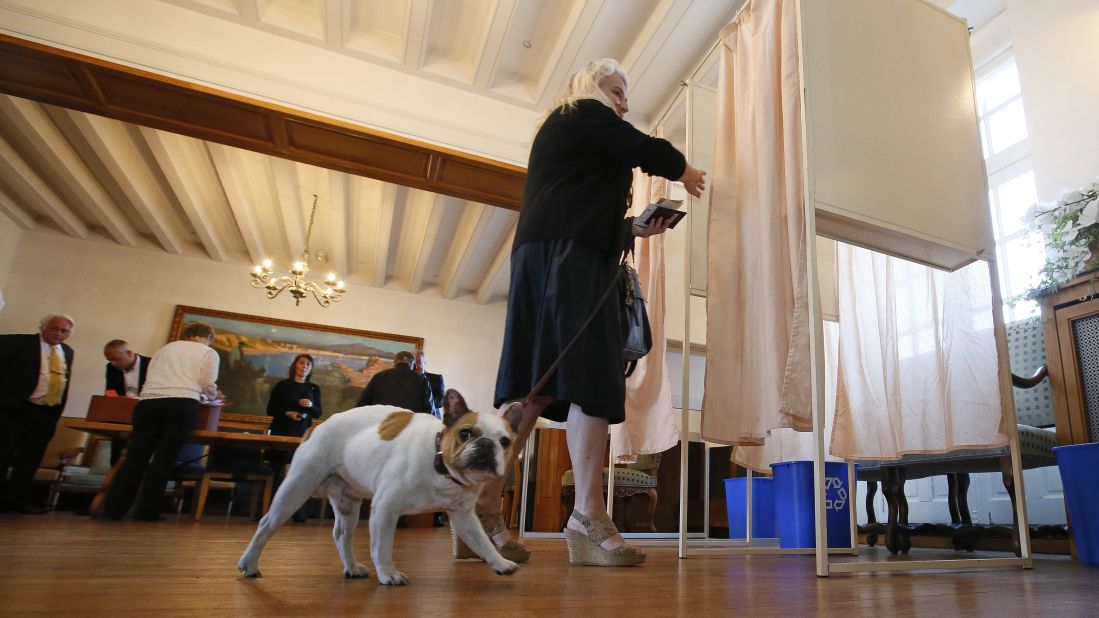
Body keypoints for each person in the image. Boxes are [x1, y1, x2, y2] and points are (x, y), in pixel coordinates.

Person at [487, 58, 706, 566]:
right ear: (590, 88)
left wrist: (631, 229)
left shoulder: (570, 134)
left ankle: (480, 510)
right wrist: (684, 170)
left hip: (552, 256)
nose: (624, 102)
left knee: (535, 386)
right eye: (616, 90)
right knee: (587, 376)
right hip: (570, 259)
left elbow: (580, 204)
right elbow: (644, 148)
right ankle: (586, 516)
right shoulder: (583, 112)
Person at [101, 321, 220, 521]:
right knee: (163, 460)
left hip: (147, 404)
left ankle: (113, 509)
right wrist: (213, 395)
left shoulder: (164, 350)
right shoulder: (208, 352)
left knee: (135, 457)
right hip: (180, 404)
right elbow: (205, 382)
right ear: (208, 338)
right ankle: (146, 511)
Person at [0, 314, 76, 514]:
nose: (59, 333)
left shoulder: (68, 352)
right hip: (15, 410)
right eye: (54, 328)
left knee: (31, 459)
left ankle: (15, 502)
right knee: (3, 453)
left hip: (46, 414)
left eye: (64, 331)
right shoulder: (16, 343)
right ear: (43, 327)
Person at [265, 353, 323, 522]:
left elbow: (318, 413)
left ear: (311, 369)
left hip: (302, 433)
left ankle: (297, 512)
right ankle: (269, 510)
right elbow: (271, 409)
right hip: (281, 430)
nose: (304, 366)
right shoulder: (282, 385)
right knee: (276, 470)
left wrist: (311, 405)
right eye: (301, 363)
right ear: (295, 365)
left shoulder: (314, 389)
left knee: (299, 473)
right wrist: (287, 413)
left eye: (308, 364)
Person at [103, 339, 151, 464]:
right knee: (116, 457)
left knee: (139, 458)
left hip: (145, 415)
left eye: (116, 359)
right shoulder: (111, 368)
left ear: (129, 353)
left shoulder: (151, 364)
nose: (113, 363)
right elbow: (110, 391)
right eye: (110, 360)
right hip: (121, 416)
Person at [355, 350, 433, 414]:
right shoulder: (422, 379)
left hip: (382, 425)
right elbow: (429, 409)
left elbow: (362, 404)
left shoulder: (379, 376)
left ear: (395, 362)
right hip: (410, 426)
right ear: (412, 363)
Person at [413, 351, 445, 417]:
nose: (415, 365)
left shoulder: (436, 378)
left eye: (419, 362)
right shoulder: (405, 380)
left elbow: (441, 401)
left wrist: (426, 402)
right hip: (410, 416)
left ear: (424, 362)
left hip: (431, 416)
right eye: (413, 362)